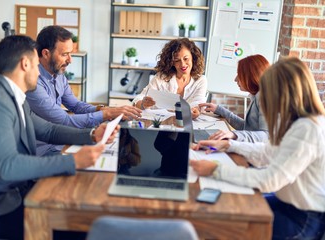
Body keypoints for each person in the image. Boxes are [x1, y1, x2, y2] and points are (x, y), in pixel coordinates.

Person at [0, 35, 119, 240]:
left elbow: (49, 130)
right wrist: (73, 161)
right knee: (76, 229)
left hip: (12, 197)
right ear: (25, 63)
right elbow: (10, 165)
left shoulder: (13, 98)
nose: (39, 72)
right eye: (37, 65)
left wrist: (91, 135)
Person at [190, 57, 325, 240]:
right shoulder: (295, 122)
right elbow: (267, 153)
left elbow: (270, 180)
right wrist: (229, 144)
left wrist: (216, 170)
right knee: (233, 214)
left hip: (304, 218)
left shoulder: (308, 128)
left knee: (231, 229)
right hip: (286, 203)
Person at [26, 25, 141, 155]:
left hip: (62, 142)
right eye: (65, 54)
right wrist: (108, 114)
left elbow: (75, 105)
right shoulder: (33, 82)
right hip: (43, 150)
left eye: (70, 54)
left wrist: (103, 109)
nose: (70, 60)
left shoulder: (58, 75)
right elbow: (64, 121)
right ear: (46, 53)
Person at [199, 54, 270, 142]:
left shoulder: (266, 97)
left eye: (239, 74)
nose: (235, 79)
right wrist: (219, 110)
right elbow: (246, 128)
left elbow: (266, 136)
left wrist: (234, 134)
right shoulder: (256, 95)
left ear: (251, 76)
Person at [132, 38, 207, 119]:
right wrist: (143, 104)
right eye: (177, 60)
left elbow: (199, 103)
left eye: (186, 59)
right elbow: (138, 99)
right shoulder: (161, 78)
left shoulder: (200, 80)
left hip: (188, 124)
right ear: (171, 62)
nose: (182, 64)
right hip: (162, 124)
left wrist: (195, 110)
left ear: (193, 57)